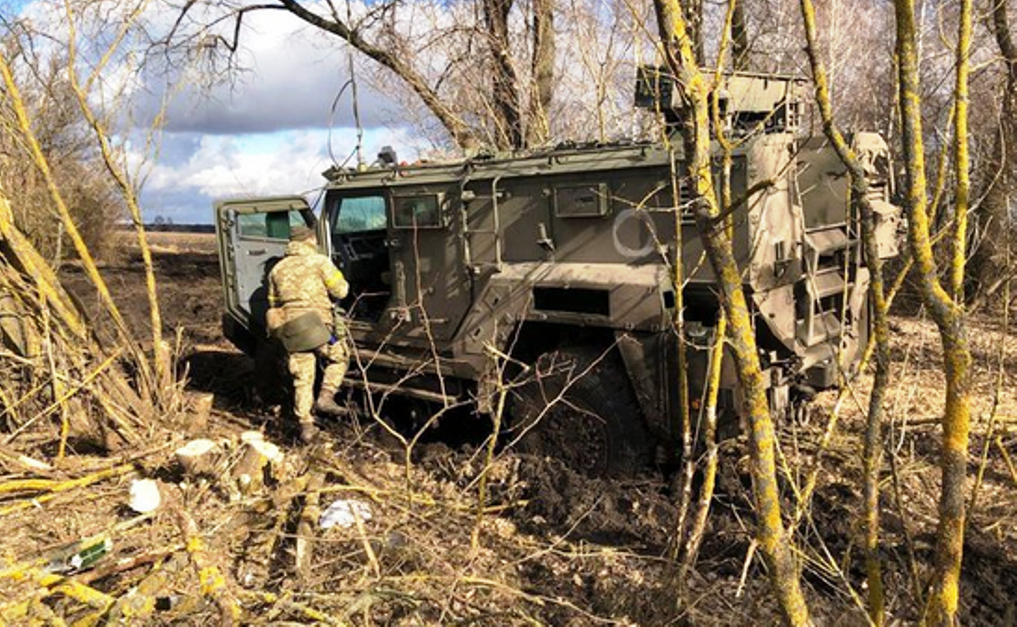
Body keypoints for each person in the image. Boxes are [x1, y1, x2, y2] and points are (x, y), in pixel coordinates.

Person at [267, 224, 349, 442]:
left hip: (291, 330)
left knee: (302, 378)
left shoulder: (277, 269)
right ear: (310, 240)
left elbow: (273, 303)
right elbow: (341, 290)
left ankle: (306, 426)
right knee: (340, 357)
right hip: (318, 328)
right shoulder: (321, 262)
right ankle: (326, 396)